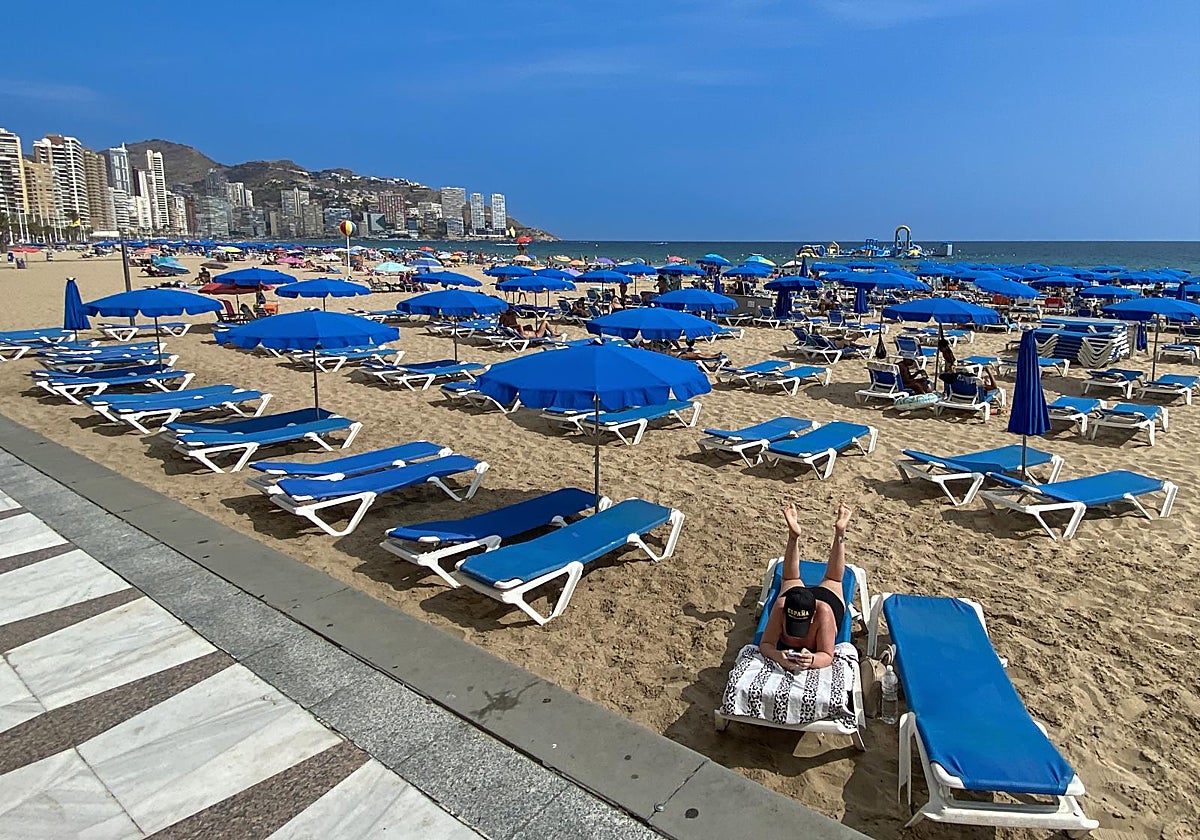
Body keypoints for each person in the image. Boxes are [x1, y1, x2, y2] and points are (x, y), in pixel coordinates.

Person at [759, 502, 854, 672]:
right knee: (789, 578)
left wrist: (812, 659)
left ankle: (840, 532)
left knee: (833, 579)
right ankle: (793, 536)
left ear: (812, 618)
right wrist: (777, 655)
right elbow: (765, 645)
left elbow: (826, 655)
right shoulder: (781, 606)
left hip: (825, 600)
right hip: (796, 597)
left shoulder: (823, 613)